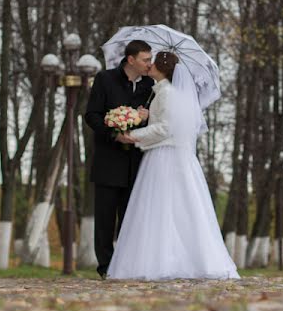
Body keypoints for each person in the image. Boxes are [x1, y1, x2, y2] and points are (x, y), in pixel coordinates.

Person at [107, 51, 240, 280]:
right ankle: (185, 258)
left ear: (162, 69)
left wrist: (133, 135)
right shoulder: (167, 92)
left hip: (163, 158)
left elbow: (165, 129)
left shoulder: (166, 93)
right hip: (177, 157)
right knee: (181, 208)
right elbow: (168, 124)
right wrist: (147, 116)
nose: (149, 66)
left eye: (153, 63)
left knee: (159, 208)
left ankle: (159, 262)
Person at [84, 40, 154, 278]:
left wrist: (146, 118)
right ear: (131, 59)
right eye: (146, 59)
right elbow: (91, 115)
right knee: (104, 218)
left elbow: (159, 122)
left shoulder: (150, 85)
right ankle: (105, 268)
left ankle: (126, 266)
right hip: (108, 160)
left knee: (130, 218)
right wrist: (114, 133)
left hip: (137, 163)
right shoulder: (105, 79)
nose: (149, 64)